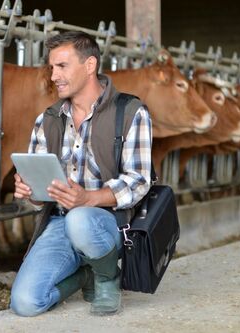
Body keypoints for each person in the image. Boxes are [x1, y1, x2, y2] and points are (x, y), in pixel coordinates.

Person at [10, 31, 152, 316]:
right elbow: (41, 198)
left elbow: (139, 180)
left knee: (80, 219)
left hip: (106, 225)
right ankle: (84, 276)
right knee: (25, 304)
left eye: (62, 66)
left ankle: (107, 274)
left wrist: (88, 198)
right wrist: (31, 191)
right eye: (51, 68)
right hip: (60, 223)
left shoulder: (130, 112)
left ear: (90, 66)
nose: (53, 76)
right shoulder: (47, 120)